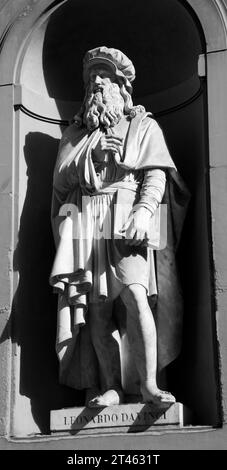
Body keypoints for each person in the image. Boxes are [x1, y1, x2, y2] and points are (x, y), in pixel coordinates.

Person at [50, 46, 190, 408]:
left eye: (105, 78)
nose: (97, 83)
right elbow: (61, 182)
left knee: (134, 295)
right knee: (97, 307)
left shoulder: (143, 125)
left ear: (121, 86)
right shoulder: (76, 135)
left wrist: (145, 209)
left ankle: (148, 384)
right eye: (92, 79)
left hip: (126, 213)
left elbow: (156, 173)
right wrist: (90, 157)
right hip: (86, 218)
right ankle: (109, 386)